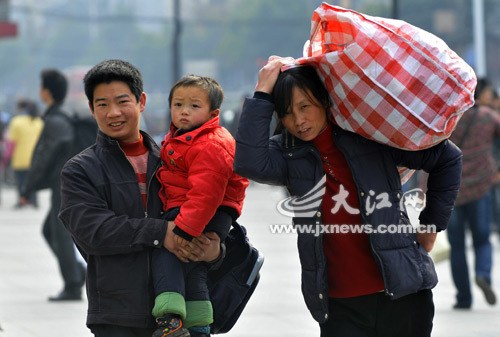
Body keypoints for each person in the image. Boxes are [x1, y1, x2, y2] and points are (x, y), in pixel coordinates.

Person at [234, 58, 463, 337]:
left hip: (404, 297)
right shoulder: (288, 153)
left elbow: (447, 158)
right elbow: (248, 162)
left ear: (324, 100)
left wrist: (430, 226)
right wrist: (262, 93)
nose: (298, 120)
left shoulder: (369, 135)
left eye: (305, 107)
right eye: (286, 113)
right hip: (340, 308)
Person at [58, 59, 222, 337]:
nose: (113, 113)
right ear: (91, 108)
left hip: (181, 316)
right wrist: (162, 233)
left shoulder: (174, 161)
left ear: (141, 101)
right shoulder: (80, 170)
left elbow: (212, 212)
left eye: (122, 101)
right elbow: (92, 232)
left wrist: (215, 251)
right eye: (102, 104)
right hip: (117, 315)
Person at [151, 75, 248, 337]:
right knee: (194, 265)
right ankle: (199, 325)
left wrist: (183, 229)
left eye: (194, 106)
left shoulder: (210, 143)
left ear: (212, 113)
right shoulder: (186, 136)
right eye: (178, 104)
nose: (184, 111)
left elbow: (207, 193)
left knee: (167, 252)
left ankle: (170, 319)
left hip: (197, 211)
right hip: (203, 211)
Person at [20, 69, 85, 301]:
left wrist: (28, 187)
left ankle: (73, 285)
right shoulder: (63, 115)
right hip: (69, 182)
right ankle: (78, 273)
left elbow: (44, 156)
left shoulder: (56, 119)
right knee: (50, 230)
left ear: (46, 92)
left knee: (59, 233)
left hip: (64, 184)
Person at [447, 78, 499, 309]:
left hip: (450, 189)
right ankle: (483, 274)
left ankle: (463, 298)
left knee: (457, 245)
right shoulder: (488, 116)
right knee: (482, 239)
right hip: (480, 187)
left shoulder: (448, 118)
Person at [7, 99, 43, 208]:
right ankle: (34, 200)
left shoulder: (16, 122)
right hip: (35, 158)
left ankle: (22, 200)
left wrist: (6, 157)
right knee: (33, 180)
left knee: (21, 181)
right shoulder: (39, 122)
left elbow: (12, 143)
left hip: (20, 158)